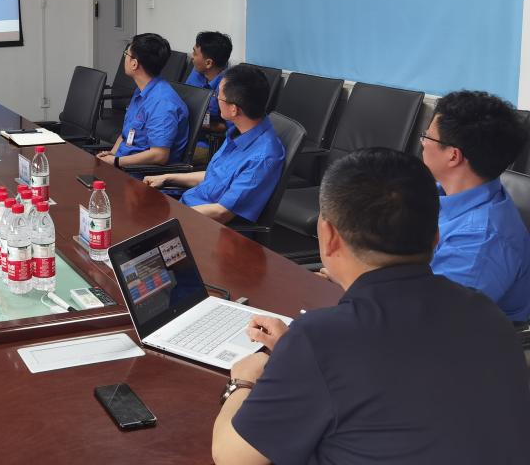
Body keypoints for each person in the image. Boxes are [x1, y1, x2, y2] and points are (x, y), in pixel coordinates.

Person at [211, 148, 530, 464]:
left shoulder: (320, 338)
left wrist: (243, 380)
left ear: (328, 235)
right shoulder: (486, 313)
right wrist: (298, 356)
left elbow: (232, 457)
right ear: (435, 236)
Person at [420, 90, 530, 321]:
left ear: (453, 156)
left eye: (427, 137)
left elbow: (431, 320)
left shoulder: (479, 243)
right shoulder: (447, 192)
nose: (423, 143)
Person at [144, 64, 284, 224]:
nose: (216, 99)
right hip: (187, 208)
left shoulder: (263, 158)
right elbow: (213, 175)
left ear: (234, 109)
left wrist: (171, 214)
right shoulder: (239, 131)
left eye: (218, 95)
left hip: (201, 224)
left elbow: (221, 212)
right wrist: (167, 177)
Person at [96, 33, 189, 167]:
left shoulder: (162, 103)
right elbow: (125, 135)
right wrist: (112, 154)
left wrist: (116, 161)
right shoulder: (141, 91)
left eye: (126, 54)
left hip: (139, 174)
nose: (124, 58)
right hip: (122, 164)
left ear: (134, 64)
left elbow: (159, 155)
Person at [185, 30, 232, 131]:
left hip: (208, 136)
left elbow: (232, 128)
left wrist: (208, 125)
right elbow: (185, 98)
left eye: (195, 53)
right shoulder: (197, 70)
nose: (192, 57)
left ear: (208, 63)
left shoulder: (228, 88)